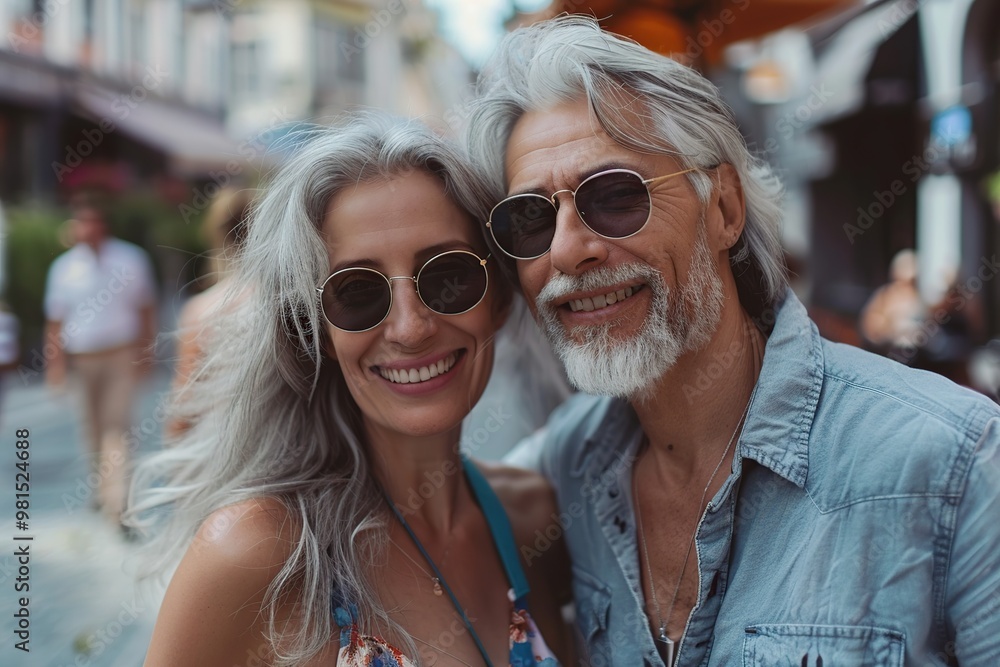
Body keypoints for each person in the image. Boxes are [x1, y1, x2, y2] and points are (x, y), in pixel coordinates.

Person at [467, 16, 1000, 666]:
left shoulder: (954, 464)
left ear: (723, 207)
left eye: (614, 196)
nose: (569, 249)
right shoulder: (564, 467)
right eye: (529, 218)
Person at [130, 114, 570, 667]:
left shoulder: (532, 519)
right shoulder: (253, 556)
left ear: (499, 299)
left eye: (448, 275)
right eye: (357, 292)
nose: (411, 327)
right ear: (315, 332)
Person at [43, 194, 157, 526]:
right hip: (82, 358)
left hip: (120, 353)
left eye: (92, 221)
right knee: (91, 429)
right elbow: (55, 322)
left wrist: (146, 353)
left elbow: (146, 308)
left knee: (117, 427)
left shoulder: (130, 260)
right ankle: (100, 489)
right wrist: (55, 366)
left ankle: (118, 503)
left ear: (102, 225)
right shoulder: (63, 269)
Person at [167, 187, 254, 437]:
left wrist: (174, 446)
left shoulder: (203, 310)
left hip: (221, 445)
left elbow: (186, 399)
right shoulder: (292, 300)